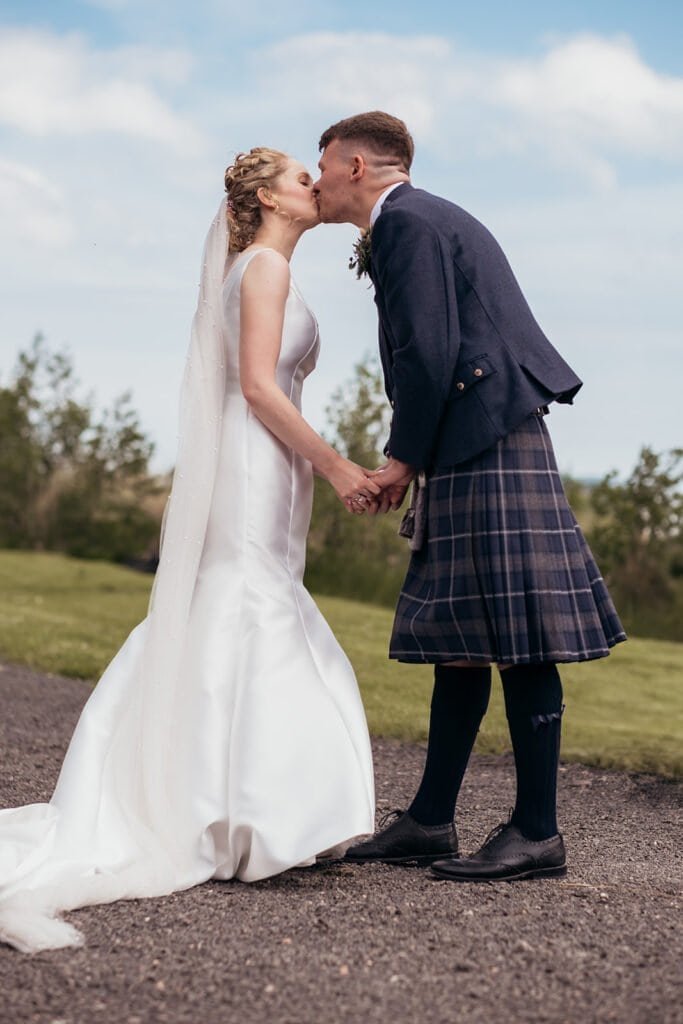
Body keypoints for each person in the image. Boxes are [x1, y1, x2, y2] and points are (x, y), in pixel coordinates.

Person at [0, 147, 377, 953]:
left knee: (243, 598)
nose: (315, 185)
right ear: (268, 199)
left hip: (265, 463)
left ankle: (234, 803)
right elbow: (258, 387)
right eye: (300, 178)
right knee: (250, 603)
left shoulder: (256, 267)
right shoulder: (263, 271)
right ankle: (248, 816)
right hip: (256, 458)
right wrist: (339, 465)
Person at [313, 112, 626, 882]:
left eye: (321, 166)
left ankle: (537, 831)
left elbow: (429, 351)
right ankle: (428, 819)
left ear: (356, 165)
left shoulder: (407, 223)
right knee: (461, 635)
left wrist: (398, 459)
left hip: (483, 435)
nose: (315, 181)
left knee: (516, 632)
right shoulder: (422, 218)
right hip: (476, 433)